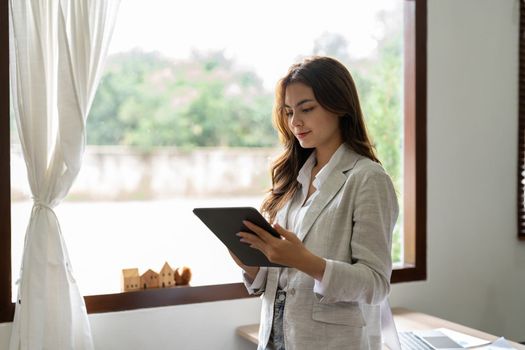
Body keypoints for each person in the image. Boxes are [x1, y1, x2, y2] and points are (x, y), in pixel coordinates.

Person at [230, 56, 399, 350]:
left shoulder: (367, 179)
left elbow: (375, 283)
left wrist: (306, 261)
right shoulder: (293, 179)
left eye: (307, 109)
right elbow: (281, 279)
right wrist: (251, 262)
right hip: (277, 338)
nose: (295, 122)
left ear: (340, 106)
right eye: (288, 112)